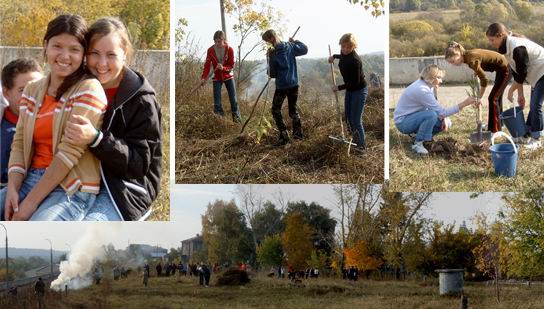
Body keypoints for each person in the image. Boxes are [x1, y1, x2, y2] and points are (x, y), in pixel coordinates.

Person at [0, 14, 107, 221]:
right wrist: (13, 188)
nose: (65, 56)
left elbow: (69, 153)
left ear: (83, 54)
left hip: (71, 187)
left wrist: (29, 204)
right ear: (45, 46)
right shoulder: (32, 90)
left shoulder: (88, 89)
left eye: (74, 49)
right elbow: (20, 142)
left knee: (33, 227)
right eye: (57, 46)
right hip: (31, 179)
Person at [63, 17, 162, 220]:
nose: (101, 63)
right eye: (94, 54)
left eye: (111, 55)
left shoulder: (142, 101)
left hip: (124, 189)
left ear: (124, 54)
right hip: (82, 179)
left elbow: (138, 165)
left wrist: (96, 139)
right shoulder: (77, 86)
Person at [393, 64, 476, 155]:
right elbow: (442, 112)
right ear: (432, 77)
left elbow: (435, 108)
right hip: (403, 122)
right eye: (439, 77)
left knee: (447, 122)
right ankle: (418, 143)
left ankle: (418, 135)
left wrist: (444, 118)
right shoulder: (422, 89)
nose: (441, 80)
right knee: (431, 115)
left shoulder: (427, 85)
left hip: (414, 117)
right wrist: (465, 103)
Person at [486, 22, 544, 149]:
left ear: (500, 35)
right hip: (537, 75)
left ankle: (536, 139)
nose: (491, 43)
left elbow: (523, 71)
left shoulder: (517, 46)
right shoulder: (507, 48)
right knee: (534, 105)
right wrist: (521, 94)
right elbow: (518, 73)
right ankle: (526, 134)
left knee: (536, 105)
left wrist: (511, 91)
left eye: (492, 40)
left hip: (542, 71)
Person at [445, 41, 510, 133]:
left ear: (458, 54)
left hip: (506, 68)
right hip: (501, 68)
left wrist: (479, 97)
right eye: (450, 63)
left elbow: (484, 80)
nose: (453, 64)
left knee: (492, 98)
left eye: (453, 61)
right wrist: (477, 70)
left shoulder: (470, 59)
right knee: (496, 97)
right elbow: (482, 60)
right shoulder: (468, 55)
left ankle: (494, 130)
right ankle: (499, 123)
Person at [1, 58, 43, 188]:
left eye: (39, 88)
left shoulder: (50, 123)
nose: (33, 95)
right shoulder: (4, 128)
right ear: (7, 93)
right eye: (23, 90)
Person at [262, 29, 308, 146]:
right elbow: (304, 49)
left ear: (271, 38)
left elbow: (272, 74)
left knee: (275, 110)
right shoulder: (290, 46)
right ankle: (298, 136)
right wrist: (295, 41)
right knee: (293, 110)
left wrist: (269, 60)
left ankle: (284, 137)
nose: (268, 42)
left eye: (267, 40)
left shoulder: (273, 53)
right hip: (293, 84)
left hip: (282, 86)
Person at [328, 33, 369, 150]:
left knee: (356, 120)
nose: (345, 49)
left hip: (359, 90)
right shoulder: (344, 54)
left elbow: (355, 83)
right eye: (343, 46)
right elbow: (343, 56)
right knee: (348, 118)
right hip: (350, 91)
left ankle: (361, 148)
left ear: (353, 47)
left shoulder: (355, 61)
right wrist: (334, 57)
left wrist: (339, 87)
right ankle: (353, 142)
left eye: (348, 47)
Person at [200, 30, 241, 122]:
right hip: (217, 77)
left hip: (228, 76)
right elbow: (207, 65)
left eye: (219, 41)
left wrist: (223, 68)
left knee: (233, 100)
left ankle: (237, 121)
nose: (217, 43)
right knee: (217, 103)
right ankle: (220, 122)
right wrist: (203, 78)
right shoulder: (210, 50)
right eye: (215, 41)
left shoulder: (229, 49)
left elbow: (231, 65)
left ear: (224, 40)